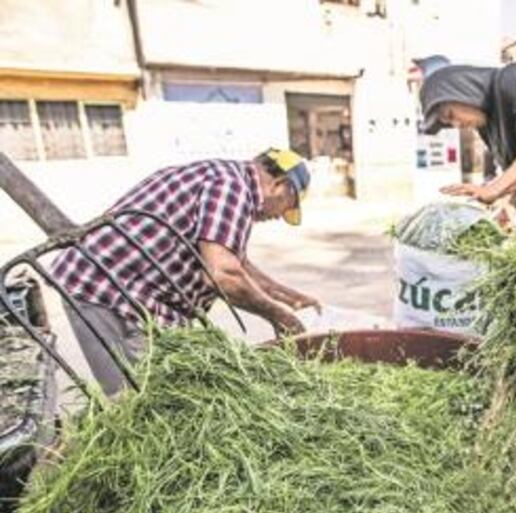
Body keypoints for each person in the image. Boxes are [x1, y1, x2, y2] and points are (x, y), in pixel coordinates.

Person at [50, 148, 321, 395]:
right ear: (279, 185)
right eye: (288, 206)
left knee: (174, 394)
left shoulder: (226, 178)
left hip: (135, 295)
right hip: (110, 293)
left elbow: (238, 263)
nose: (279, 216)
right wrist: (279, 316)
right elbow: (223, 274)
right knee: (145, 402)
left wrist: (292, 299)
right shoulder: (231, 187)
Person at [419, 62, 516, 205]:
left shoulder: (514, 78)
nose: (457, 125)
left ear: (462, 91)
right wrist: (504, 202)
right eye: (449, 124)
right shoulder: (485, 124)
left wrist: (494, 189)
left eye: (451, 115)